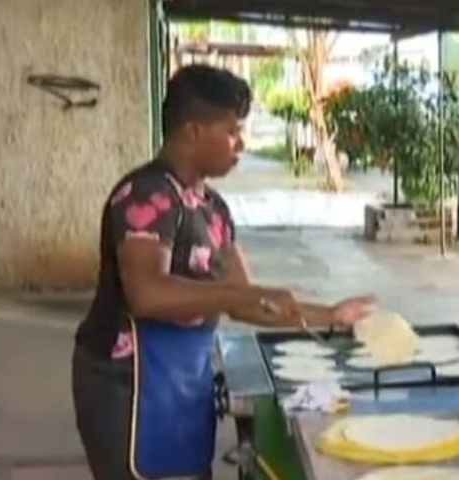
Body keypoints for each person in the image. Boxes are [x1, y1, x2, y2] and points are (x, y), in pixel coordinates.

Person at [71, 64, 377, 480]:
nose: (241, 144)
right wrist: (237, 297)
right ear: (193, 131)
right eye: (231, 131)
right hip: (128, 378)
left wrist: (329, 315)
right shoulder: (148, 195)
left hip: (184, 372)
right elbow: (147, 293)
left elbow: (249, 303)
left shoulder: (214, 209)